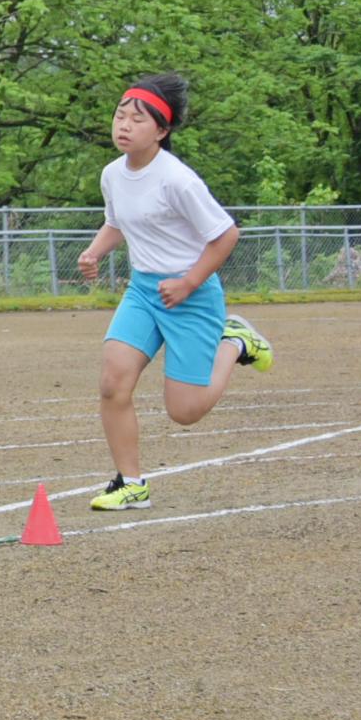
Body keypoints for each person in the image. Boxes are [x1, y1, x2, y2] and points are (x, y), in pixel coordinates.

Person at [76, 73, 272, 511]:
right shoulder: (112, 174)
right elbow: (117, 224)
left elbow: (226, 235)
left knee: (184, 411)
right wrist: (94, 253)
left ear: (162, 132)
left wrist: (188, 283)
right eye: (119, 115)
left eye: (137, 120)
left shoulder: (177, 180)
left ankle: (235, 341)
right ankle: (132, 484)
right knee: (112, 383)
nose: (123, 125)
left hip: (192, 295)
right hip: (144, 291)